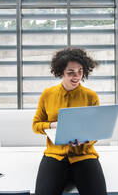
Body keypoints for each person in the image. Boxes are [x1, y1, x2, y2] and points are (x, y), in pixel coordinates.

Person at [32, 47, 107, 195]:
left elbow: (95, 131)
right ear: (61, 72)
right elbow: (36, 125)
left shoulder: (91, 96)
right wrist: (52, 125)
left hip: (84, 155)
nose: (76, 76)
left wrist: (85, 140)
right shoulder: (47, 94)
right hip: (55, 155)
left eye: (80, 71)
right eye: (70, 72)